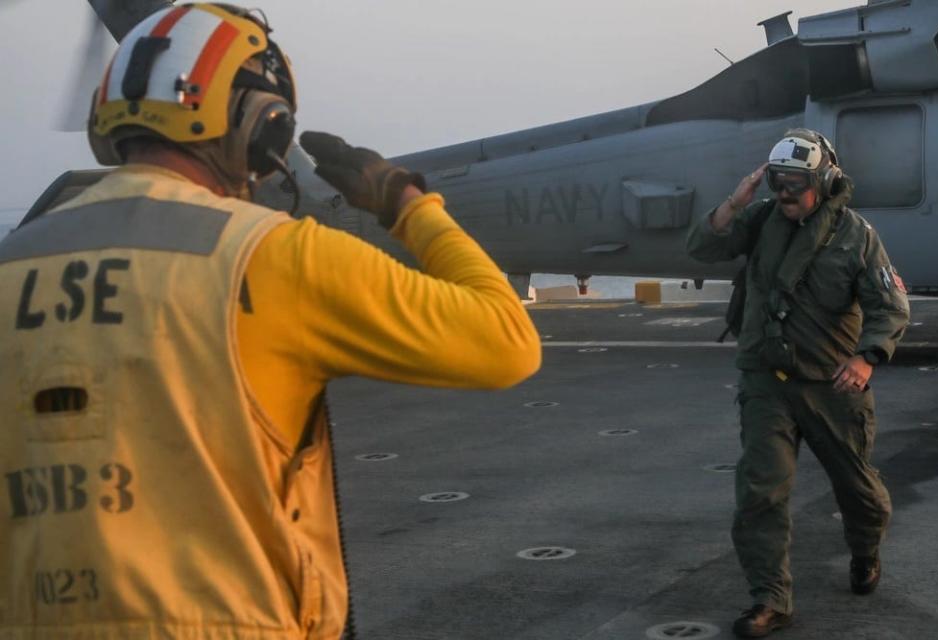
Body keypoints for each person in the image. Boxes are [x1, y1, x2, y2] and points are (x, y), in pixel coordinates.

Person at [0, 4, 540, 639]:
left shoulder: (14, 263)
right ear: (264, 127)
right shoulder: (276, 254)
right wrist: (407, 203)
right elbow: (507, 342)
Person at [686, 129, 909, 638]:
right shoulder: (761, 220)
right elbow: (702, 246)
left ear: (825, 179)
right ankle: (770, 599)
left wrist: (867, 358)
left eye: (796, 184)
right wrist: (735, 202)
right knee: (760, 494)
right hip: (767, 382)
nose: (784, 194)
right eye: (777, 182)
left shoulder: (856, 235)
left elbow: (890, 306)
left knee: (862, 495)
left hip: (833, 387)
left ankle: (865, 551)